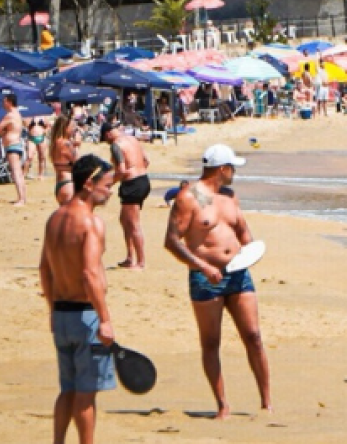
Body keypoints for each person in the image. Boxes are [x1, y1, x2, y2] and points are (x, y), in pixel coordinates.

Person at [165, 144, 272, 418]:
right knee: (212, 342)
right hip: (205, 276)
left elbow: (243, 231)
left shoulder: (229, 196)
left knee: (254, 336)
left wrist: (251, 252)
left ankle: (266, 403)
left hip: (238, 273)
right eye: (232, 167)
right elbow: (172, 240)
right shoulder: (189, 197)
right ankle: (223, 405)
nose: (234, 172)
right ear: (222, 169)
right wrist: (201, 266)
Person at [38, 154, 117, 444]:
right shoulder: (90, 223)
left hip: (61, 313)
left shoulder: (55, 218)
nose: (110, 191)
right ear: (89, 183)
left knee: (67, 388)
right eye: (107, 185)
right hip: (85, 314)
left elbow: (45, 269)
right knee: (87, 391)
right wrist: (105, 319)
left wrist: (51, 308)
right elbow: (89, 273)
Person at [102, 121, 150, 270]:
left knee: (133, 224)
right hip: (143, 180)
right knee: (124, 220)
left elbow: (122, 170)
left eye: (105, 139)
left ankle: (141, 262)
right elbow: (146, 161)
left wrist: (109, 184)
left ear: (108, 133)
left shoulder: (116, 145)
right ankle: (130, 257)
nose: (107, 142)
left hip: (132, 183)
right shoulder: (132, 139)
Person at [0, 93, 27, 205]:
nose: (3, 104)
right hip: (16, 144)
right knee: (17, 172)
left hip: (12, 145)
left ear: (9, 102)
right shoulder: (17, 114)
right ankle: (23, 197)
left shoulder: (10, 115)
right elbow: (6, 130)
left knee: (15, 172)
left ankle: (21, 199)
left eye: (4, 101)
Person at [49, 113, 80, 205]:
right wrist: (77, 146)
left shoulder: (55, 143)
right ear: (65, 128)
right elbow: (79, 163)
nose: (74, 129)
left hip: (60, 183)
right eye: (72, 127)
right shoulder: (66, 144)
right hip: (68, 183)